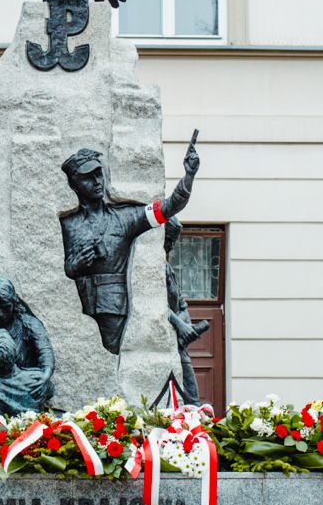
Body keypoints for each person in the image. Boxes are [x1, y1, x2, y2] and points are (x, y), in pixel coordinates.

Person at [60, 141, 199, 354]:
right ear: (74, 184)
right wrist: (75, 265)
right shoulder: (68, 224)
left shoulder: (125, 217)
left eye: (99, 174)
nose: (97, 181)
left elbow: (169, 207)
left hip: (112, 307)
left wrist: (188, 176)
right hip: (74, 307)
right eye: (88, 177)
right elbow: (65, 268)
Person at [0, 277, 55, 413]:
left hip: (25, 384)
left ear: (13, 303)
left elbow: (45, 351)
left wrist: (44, 377)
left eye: (6, 307)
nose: (1, 314)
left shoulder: (28, 323)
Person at [161, 220, 211, 407]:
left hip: (177, 341)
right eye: (168, 240)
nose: (171, 245)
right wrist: (180, 324)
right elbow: (153, 305)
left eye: (173, 241)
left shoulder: (168, 267)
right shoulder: (155, 267)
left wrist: (184, 318)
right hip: (165, 337)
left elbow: (178, 302)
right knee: (186, 393)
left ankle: (195, 429)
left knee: (191, 392)